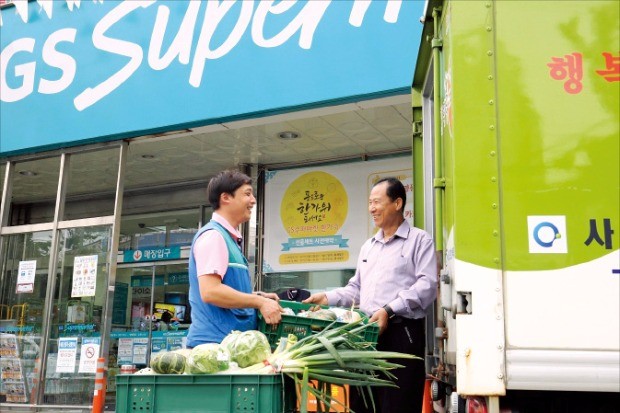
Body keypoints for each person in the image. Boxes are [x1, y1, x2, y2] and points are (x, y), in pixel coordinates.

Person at [303, 177, 437, 413]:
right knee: (363, 403)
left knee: (398, 403)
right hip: (366, 334)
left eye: (377, 202)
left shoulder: (419, 240)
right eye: (370, 202)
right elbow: (356, 289)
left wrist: (389, 309)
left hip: (401, 333)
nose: (371, 208)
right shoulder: (369, 246)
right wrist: (326, 298)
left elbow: (427, 286)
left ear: (397, 203)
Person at [186, 170, 283, 347]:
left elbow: (224, 288)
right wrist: (259, 301)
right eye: (247, 194)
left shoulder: (228, 238)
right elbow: (210, 291)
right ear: (226, 198)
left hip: (229, 345)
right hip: (215, 347)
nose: (253, 200)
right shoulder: (213, 236)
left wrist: (256, 296)